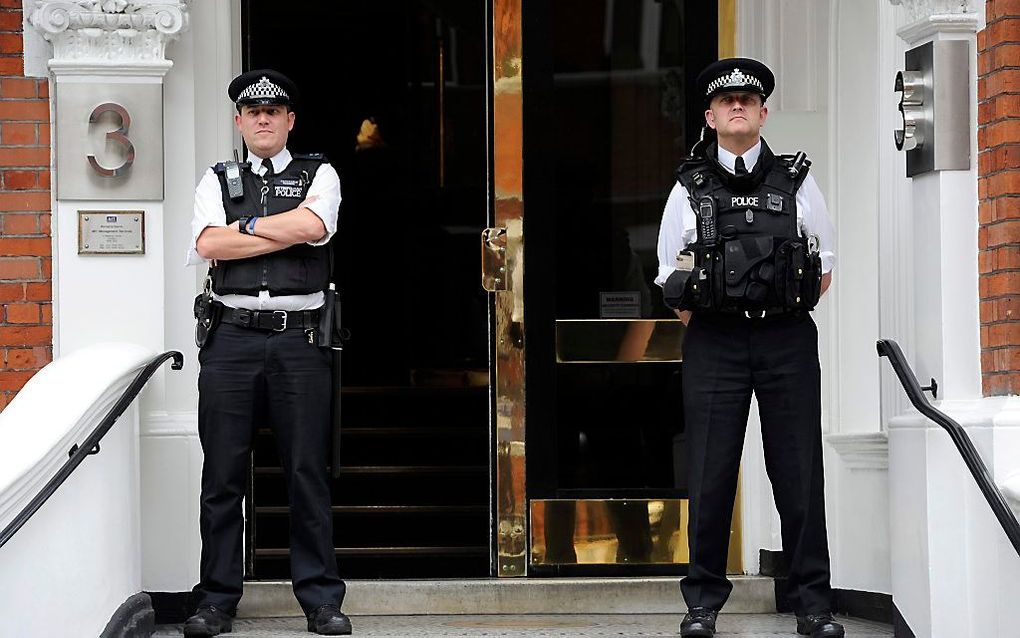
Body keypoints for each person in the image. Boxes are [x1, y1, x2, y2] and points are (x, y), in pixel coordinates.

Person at [654, 58, 843, 638]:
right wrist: (717, 319)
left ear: (763, 113)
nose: (738, 106)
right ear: (710, 116)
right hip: (716, 340)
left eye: (749, 99)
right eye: (726, 100)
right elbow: (669, 275)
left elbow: (825, 265)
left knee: (798, 471)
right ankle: (703, 605)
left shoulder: (796, 178)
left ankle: (812, 603)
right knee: (710, 470)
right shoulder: (690, 184)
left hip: (785, 336)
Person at [184, 69, 351, 637]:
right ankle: (216, 601)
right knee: (222, 474)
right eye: (253, 113)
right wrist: (282, 231)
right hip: (230, 337)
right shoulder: (216, 177)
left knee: (306, 470)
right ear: (239, 121)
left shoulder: (318, 172)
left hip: (299, 337)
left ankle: (321, 600)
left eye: (273, 112)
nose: (262, 119)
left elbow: (315, 223)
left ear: (289, 120)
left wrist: (248, 225)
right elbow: (208, 242)